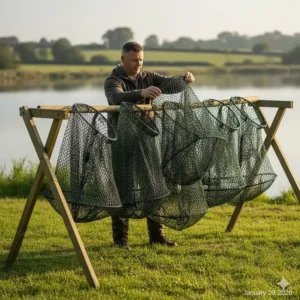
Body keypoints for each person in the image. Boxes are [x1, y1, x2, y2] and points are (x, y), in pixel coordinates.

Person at [104, 41, 195, 250]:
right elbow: (115, 97)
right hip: (121, 141)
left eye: (141, 59)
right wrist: (142, 93)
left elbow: (171, 84)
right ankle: (120, 242)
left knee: (155, 187)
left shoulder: (149, 76)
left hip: (147, 138)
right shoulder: (113, 80)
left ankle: (157, 237)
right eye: (134, 60)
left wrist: (185, 79)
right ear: (123, 60)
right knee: (122, 191)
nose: (139, 64)